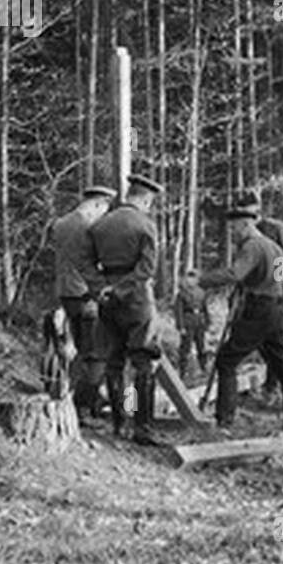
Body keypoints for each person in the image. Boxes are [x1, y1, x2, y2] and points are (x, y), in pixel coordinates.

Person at [206, 203, 283, 431]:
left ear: (247, 225)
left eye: (235, 229)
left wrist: (201, 280)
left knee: (226, 361)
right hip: (276, 311)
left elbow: (235, 273)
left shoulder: (252, 247)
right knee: (282, 365)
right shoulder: (276, 248)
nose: (233, 234)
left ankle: (224, 420)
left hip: (258, 311)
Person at [89, 173, 164, 445]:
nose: (149, 207)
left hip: (107, 301)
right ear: (144, 199)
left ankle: (119, 424)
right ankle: (142, 428)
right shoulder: (145, 225)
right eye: (150, 202)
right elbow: (146, 269)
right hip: (136, 301)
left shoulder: (100, 225)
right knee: (144, 362)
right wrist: (122, 289)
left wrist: (103, 288)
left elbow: (86, 263)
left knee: (114, 362)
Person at [231, 190, 283, 402]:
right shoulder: (243, 234)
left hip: (275, 294)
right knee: (262, 344)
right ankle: (265, 385)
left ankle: (271, 387)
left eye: (247, 210)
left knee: (275, 343)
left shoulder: (275, 229)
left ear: (256, 209)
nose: (244, 216)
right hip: (252, 293)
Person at [51, 184, 115, 420]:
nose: (104, 216)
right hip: (88, 296)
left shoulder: (61, 224)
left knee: (78, 350)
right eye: (104, 210)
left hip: (67, 294)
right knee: (97, 354)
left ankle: (81, 401)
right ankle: (82, 407)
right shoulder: (90, 228)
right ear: (98, 204)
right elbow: (95, 263)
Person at [173, 269, 210, 381]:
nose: (191, 280)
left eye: (194, 277)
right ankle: (182, 372)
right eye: (189, 277)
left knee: (201, 347)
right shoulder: (181, 294)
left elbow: (205, 308)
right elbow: (178, 311)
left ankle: (204, 369)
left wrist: (207, 321)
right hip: (188, 321)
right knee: (185, 348)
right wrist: (181, 326)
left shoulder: (201, 292)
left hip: (199, 321)